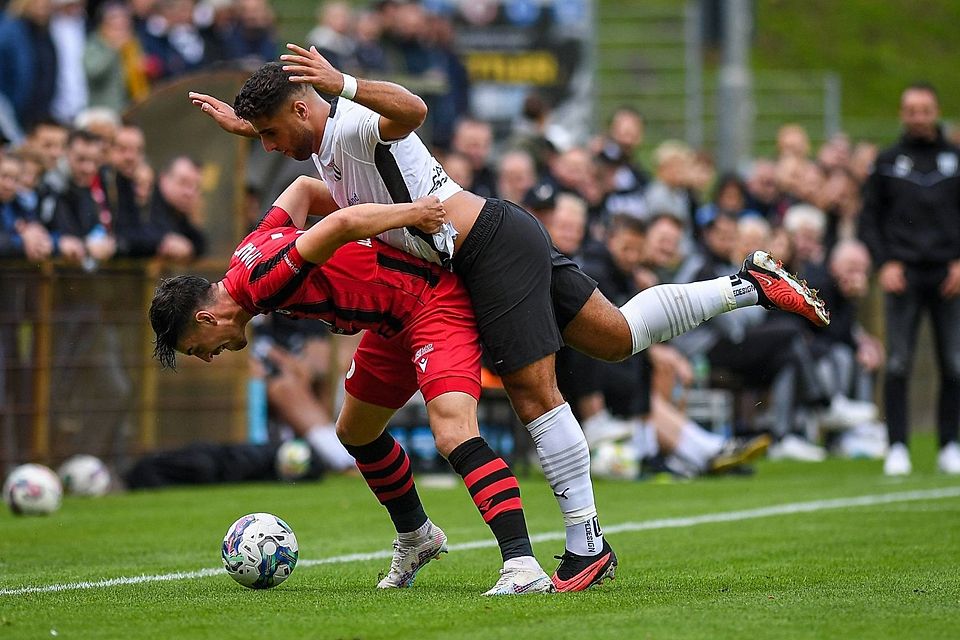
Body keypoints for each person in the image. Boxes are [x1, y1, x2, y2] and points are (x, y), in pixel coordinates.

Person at [188, 48, 830, 590]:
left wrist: (345, 84)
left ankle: (587, 549)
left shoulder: (352, 123)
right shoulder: (321, 148)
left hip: (485, 249)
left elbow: (413, 112)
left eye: (272, 133)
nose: (272, 146)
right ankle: (749, 285)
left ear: (304, 108)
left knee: (534, 393)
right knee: (619, 337)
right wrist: (253, 127)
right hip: (496, 239)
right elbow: (310, 161)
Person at [149, 176, 555, 596]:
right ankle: (417, 537)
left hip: (431, 304)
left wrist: (412, 213)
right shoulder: (244, 259)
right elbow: (304, 187)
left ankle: (523, 564)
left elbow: (340, 225)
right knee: (355, 430)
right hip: (390, 323)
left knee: (453, 432)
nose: (210, 357)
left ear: (205, 319)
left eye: (198, 349)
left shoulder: (261, 280)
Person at [859, 82, 960, 476]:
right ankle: (897, 446)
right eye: (911, 110)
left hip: (948, 274)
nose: (918, 117)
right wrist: (884, 263)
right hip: (902, 274)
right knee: (897, 362)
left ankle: (949, 444)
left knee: (954, 363)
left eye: (925, 109)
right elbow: (869, 219)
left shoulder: (955, 159)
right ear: (903, 114)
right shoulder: (886, 162)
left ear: (935, 111)